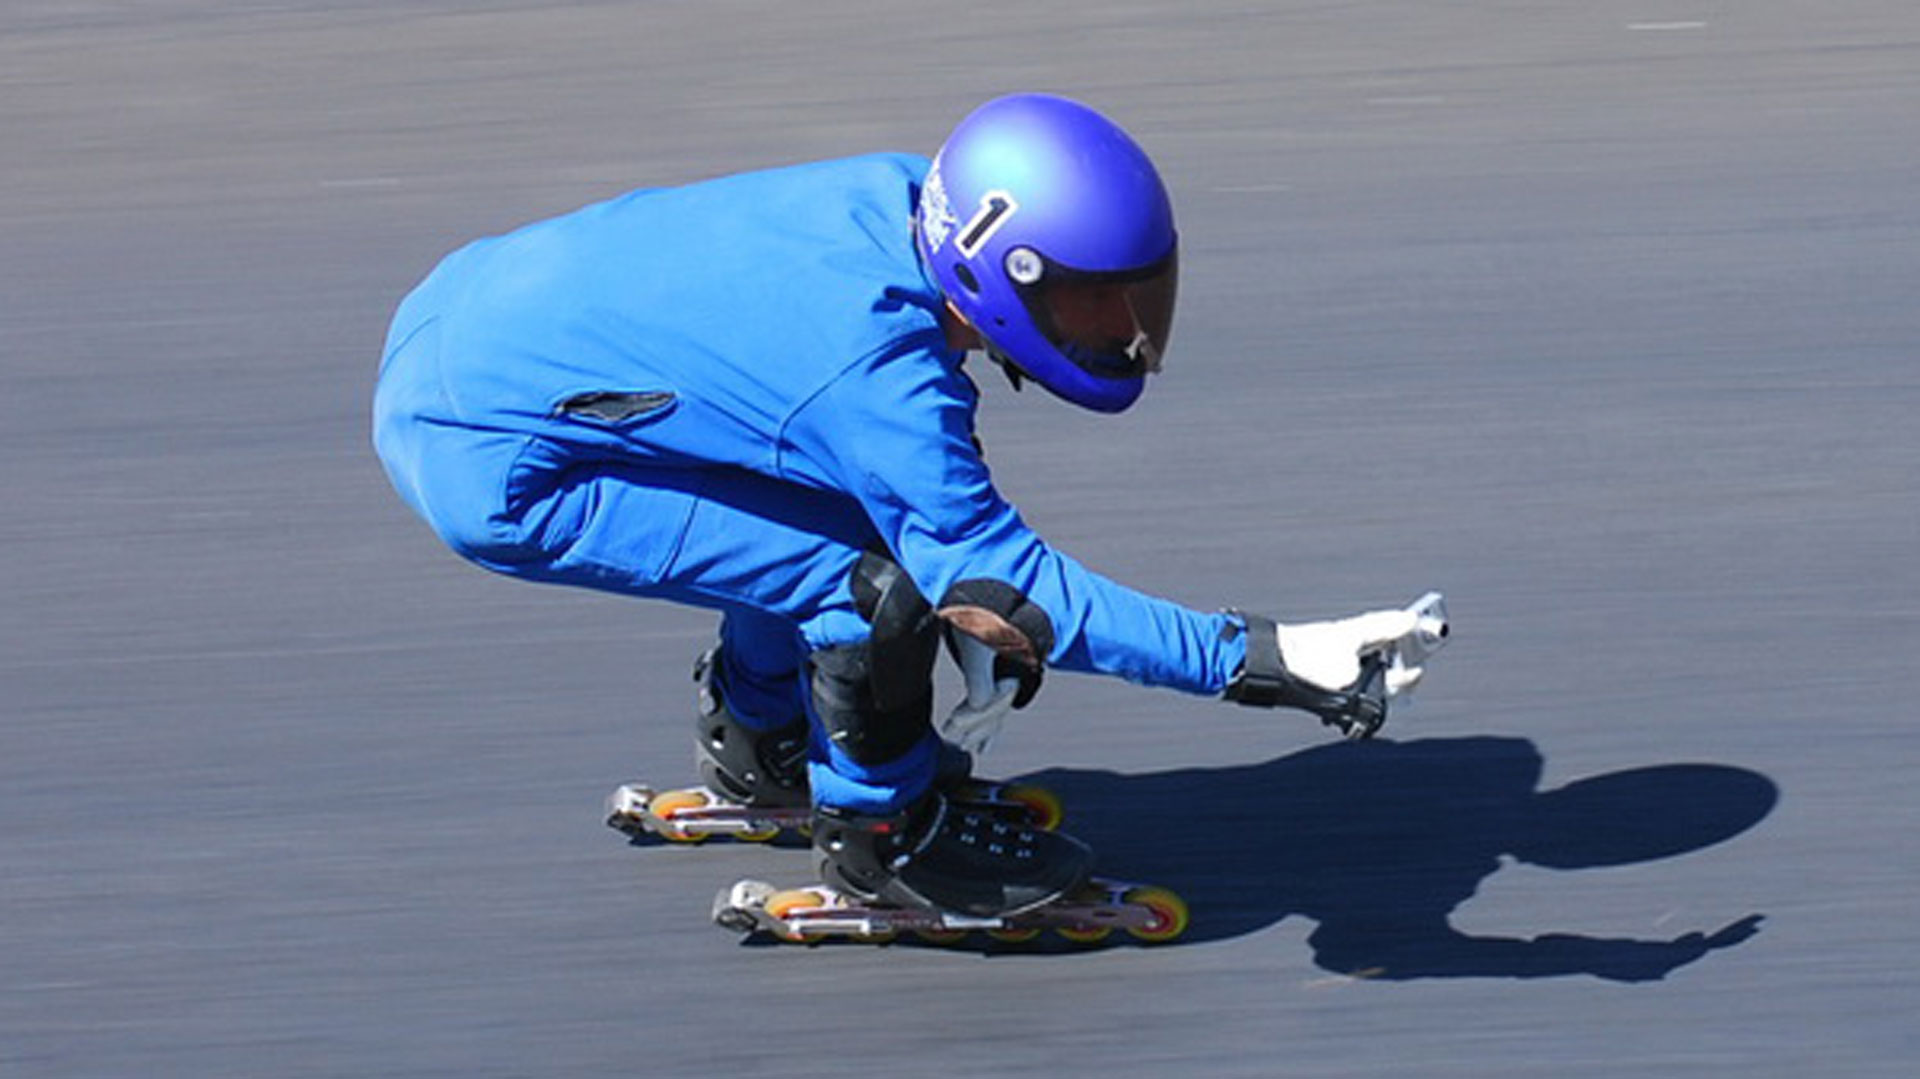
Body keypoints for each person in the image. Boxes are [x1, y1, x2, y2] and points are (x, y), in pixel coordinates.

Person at [372, 93, 1423, 919]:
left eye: (1136, 293)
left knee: (842, 515)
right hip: (495, 457)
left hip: (470, 313)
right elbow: (1010, 590)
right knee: (871, 588)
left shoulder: (901, 199)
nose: (1126, 329)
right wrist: (1269, 658)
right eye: (1094, 299)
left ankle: (762, 733)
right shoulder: (879, 376)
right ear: (1002, 272)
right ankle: (886, 840)